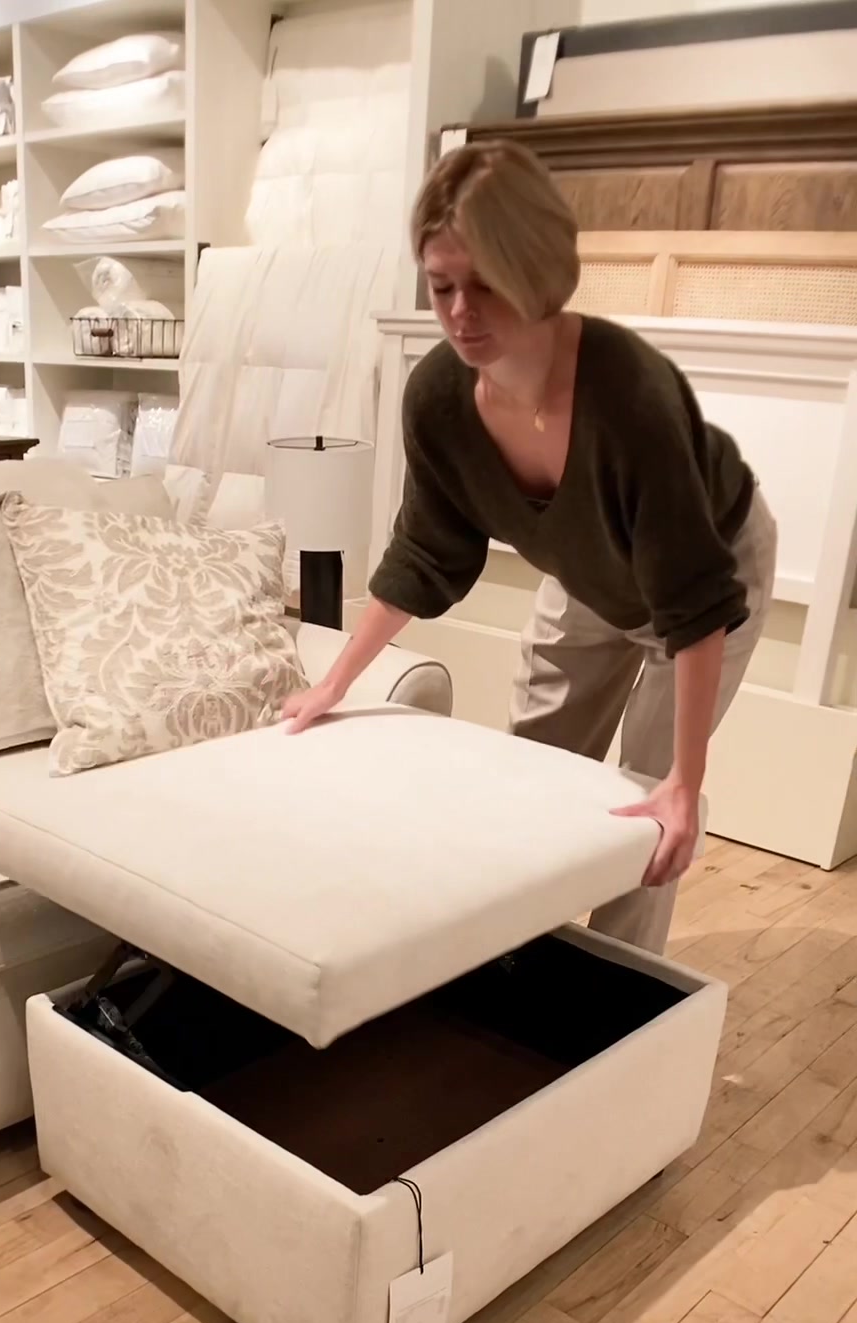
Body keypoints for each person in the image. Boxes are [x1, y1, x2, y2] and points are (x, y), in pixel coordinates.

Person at [282, 141, 777, 954]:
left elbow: (694, 603)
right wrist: (333, 682)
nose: (461, 313)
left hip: (709, 568)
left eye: (486, 284)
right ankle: (520, 956)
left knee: (646, 806)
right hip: (586, 569)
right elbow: (425, 551)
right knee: (534, 774)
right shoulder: (438, 397)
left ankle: (620, 983)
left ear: (539, 271)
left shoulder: (631, 396)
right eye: (442, 286)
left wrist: (685, 784)